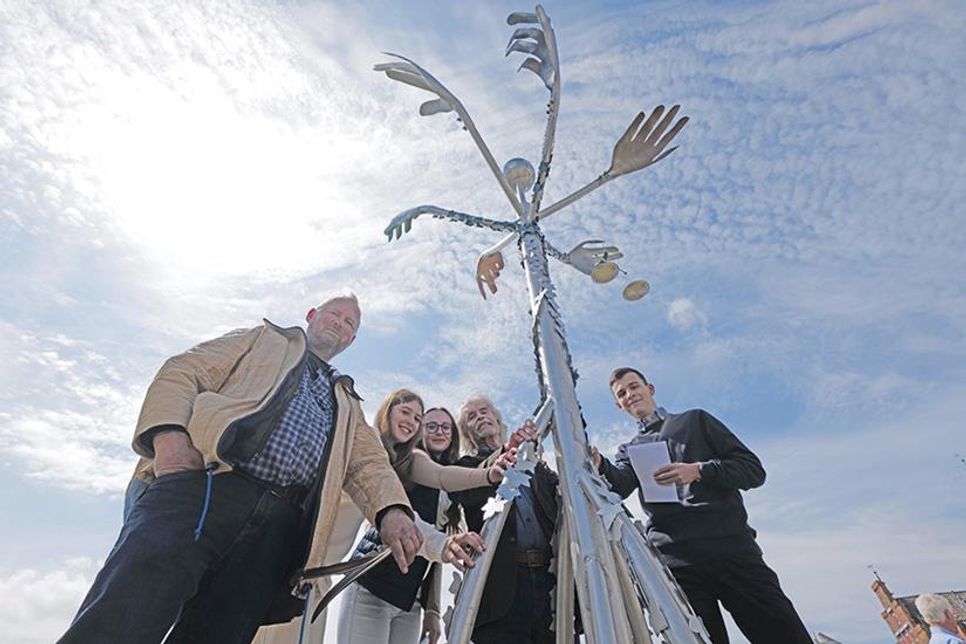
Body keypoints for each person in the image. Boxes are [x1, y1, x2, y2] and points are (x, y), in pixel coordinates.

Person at [59, 294, 424, 644]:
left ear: (352, 339)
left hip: (278, 530)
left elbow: (369, 463)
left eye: (349, 323)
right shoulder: (262, 340)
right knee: (125, 616)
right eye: (335, 314)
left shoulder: (347, 402)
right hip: (206, 486)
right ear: (312, 314)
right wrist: (169, 439)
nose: (339, 324)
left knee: (219, 635)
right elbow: (182, 372)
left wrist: (391, 509)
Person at [591, 366, 810, 644]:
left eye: (634, 386)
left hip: (731, 551)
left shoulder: (696, 421)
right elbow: (618, 486)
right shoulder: (629, 450)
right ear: (619, 405)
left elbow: (753, 470)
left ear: (650, 389)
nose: (630, 394)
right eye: (622, 394)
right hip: (676, 567)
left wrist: (699, 471)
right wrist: (599, 464)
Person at [338, 395, 510, 644]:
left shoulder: (452, 490)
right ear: (420, 432)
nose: (439, 431)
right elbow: (419, 512)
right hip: (373, 585)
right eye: (430, 425)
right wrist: (488, 475)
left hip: (410, 600)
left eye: (445, 427)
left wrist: (432, 610)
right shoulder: (410, 461)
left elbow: (434, 556)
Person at [450, 395, 568, 644]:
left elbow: (561, 495)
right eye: (472, 416)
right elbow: (466, 491)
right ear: (467, 431)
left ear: (496, 418)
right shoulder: (468, 467)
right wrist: (505, 451)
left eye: (484, 411)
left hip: (549, 582)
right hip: (503, 588)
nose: (480, 416)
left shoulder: (534, 466)